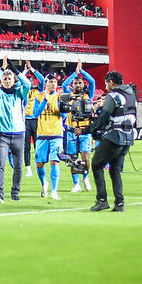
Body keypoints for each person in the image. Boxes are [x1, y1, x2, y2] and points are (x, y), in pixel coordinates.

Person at [76, 70, 136, 212]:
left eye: (106, 83)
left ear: (111, 82)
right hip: (128, 137)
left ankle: (102, 200)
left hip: (115, 136)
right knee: (115, 170)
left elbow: (103, 117)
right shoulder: (131, 94)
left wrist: (85, 130)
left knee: (96, 164)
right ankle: (119, 203)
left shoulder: (113, 95)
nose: (105, 86)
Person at [0, 56, 31, 202]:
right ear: (2, 81)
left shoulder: (19, 93)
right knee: (0, 164)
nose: (7, 81)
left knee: (18, 166)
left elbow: (27, 83)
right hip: (2, 135)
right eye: (5, 79)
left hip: (19, 135)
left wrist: (14, 70)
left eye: (10, 79)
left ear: (14, 81)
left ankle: (15, 193)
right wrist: (1, 69)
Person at [62, 59, 95, 192]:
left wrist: (81, 72)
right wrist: (74, 74)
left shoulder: (88, 95)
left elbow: (92, 82)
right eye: (75, 82)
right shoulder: (67, 95)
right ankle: (76, 184)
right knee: (73, 159)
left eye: (80, 82)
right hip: (71, 131)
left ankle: (85, 177)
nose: (78, 84)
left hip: (84, 131)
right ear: (73, 85)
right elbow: (64, 84)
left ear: (83, 84)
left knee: (85, 158)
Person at [32, 74, 65, 200]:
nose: (53, 84)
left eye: (55, 82)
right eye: (51, 82)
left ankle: (54, 191)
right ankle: (44, 183)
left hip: (56, 134)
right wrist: (45, 100)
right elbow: (35, 113)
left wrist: (61, 102)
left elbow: (63, 115)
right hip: (42, 134)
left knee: (55, 161)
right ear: (45, 83)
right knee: (39, 164)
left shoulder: (59, 96)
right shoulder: (38, 96)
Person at [23, 61, 46, 178]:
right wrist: (25, 71)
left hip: (36, 120)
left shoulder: (38, 90)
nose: (30, 81)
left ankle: (39, 165)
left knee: (38, 145)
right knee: (26, 146)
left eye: (31, 79)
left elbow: (42, 80)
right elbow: (18, 82)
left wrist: (31, 69)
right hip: (25, 121)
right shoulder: (23, 91)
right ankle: (28, 169)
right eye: (27, 80)